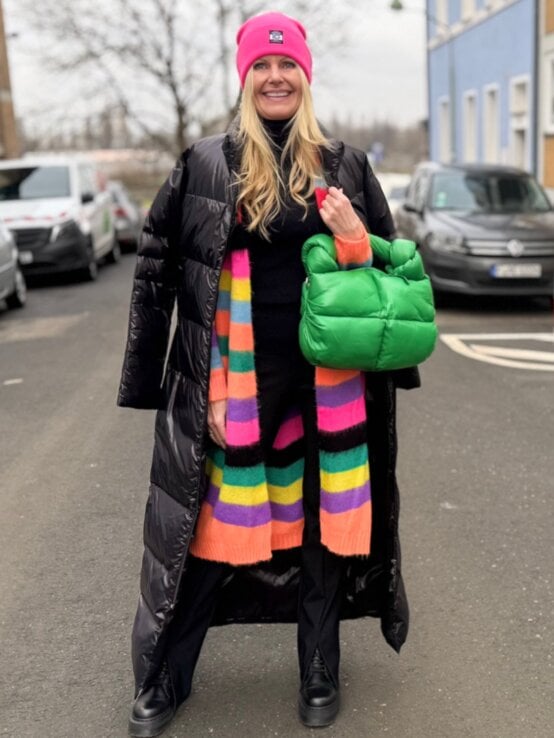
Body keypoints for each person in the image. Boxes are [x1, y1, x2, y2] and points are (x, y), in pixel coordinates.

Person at [118, 11, 419, 737]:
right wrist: (165, 381)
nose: (276, 77)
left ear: (305, 79)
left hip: (332, 378)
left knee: (321, 524)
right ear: (245, 77)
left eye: (288, 67)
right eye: (262, 66)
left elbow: (390, 272)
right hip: (241, 380)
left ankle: (319, 668)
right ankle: (166, 676)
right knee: (213, 525)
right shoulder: (206, 162)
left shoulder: (343, 163)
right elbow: (156, 264)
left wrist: (354, 241)